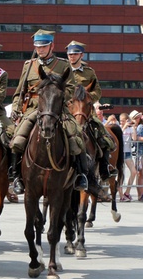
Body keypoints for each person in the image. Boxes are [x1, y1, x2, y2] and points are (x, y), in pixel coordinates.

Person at [9, 29, 87, 194]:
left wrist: (57, 98)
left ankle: (82, 174)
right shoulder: (29, 65)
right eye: (38, 47)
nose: (40, 49)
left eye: (44, 46)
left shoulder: (63, 65)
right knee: (17, 138)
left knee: (76, 134)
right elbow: (20, 91)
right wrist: (16, 107)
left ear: (52, 46)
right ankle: (16, 176)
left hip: (57, 109)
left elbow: (71, 89)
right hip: (34, 109)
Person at [64, 41, 118, 181]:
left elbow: (97, 91)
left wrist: (86, 98)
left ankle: (105, 168)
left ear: (81, 55)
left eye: (75, 54)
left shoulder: (89, 72)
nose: (72, 56)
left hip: (85, 110)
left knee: (103, 134)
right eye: (70, 54)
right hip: (66, 109)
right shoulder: (62, 70)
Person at [120, 112, 139, 201]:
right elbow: (119, 134)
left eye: (123, 121)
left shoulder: (130, 128)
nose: (122, 122)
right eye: (121, 121)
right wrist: (124, 126)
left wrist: (133, 127)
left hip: (127, 152)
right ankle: (121, 195)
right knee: (120, 174)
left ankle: (127, 192)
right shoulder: (118, 126)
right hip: (120, 152)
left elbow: (134, 139)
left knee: (134, 172)